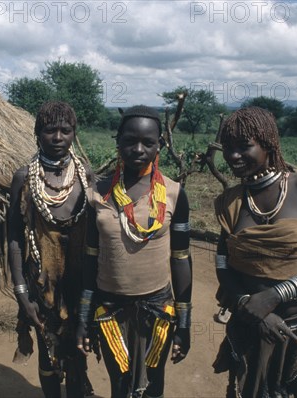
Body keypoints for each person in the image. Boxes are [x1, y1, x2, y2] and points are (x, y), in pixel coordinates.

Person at [212, 107, 297, 397]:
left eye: (244, 146)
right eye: (228, 148)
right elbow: (223, 263)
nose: (233, 156)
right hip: (249, 326)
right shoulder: (231, 201)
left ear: (269, 143)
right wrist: (252, 308)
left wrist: (275, 295)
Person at [76, 105, 193, 398]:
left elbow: (180, 259)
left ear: (159, 146)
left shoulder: (174, 193)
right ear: (118, 141)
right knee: (120, 384)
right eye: (130, 140)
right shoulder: (97, 193)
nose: (138, 149)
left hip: (159, 308)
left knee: (154, 385)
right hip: (110, 308)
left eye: (148, 142)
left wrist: (185, 322)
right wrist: (83, 318)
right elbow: (90, 258)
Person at [7, 101, 93, 398]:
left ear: (73, 133)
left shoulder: (85, 175)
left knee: (79, 350)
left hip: (80, 282)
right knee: (47, 349)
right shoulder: (23, 178)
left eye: (65, 130)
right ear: (37, 134)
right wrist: (20, 292)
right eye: (49, 130)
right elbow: (15, 237)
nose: (58, 137)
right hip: (41, 283)